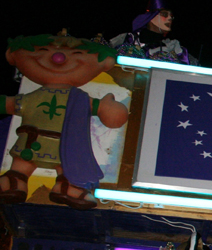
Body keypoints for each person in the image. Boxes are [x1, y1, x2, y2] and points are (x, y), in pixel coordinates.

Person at [1, 32, 129, 209]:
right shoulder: (34, 97)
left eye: (77, 55)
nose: (58, 58)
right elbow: (10, 104)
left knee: (68, 166)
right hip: (30, 141)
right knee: (22, 164)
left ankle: (66, 186)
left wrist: (108, 109)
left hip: (66, 147)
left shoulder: (80, 99)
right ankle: (15, 181)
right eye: (43, 50)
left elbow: (111, 115)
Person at [110, 0, 198, 65]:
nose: (170, 18)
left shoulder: (172, 46)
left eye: (171, 15)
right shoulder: (128, 39)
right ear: (151, 17)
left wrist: (181, 55)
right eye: (164, 14)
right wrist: (149, 53)